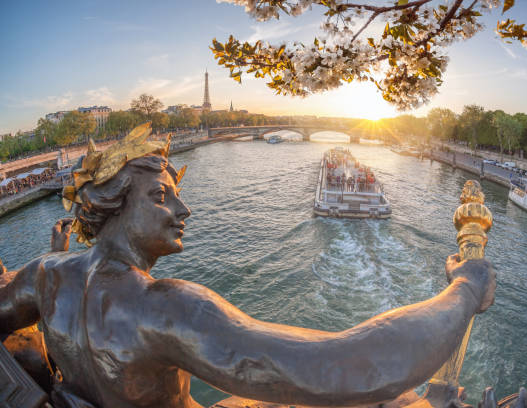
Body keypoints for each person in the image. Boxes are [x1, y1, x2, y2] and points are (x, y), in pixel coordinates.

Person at [0, 124, 495, 408]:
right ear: (113, 204)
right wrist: (464, 292)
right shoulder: (166, 307)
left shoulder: (45, 274)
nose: (182, 210)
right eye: (160, 195)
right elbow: (349, 367)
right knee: (401, 402)